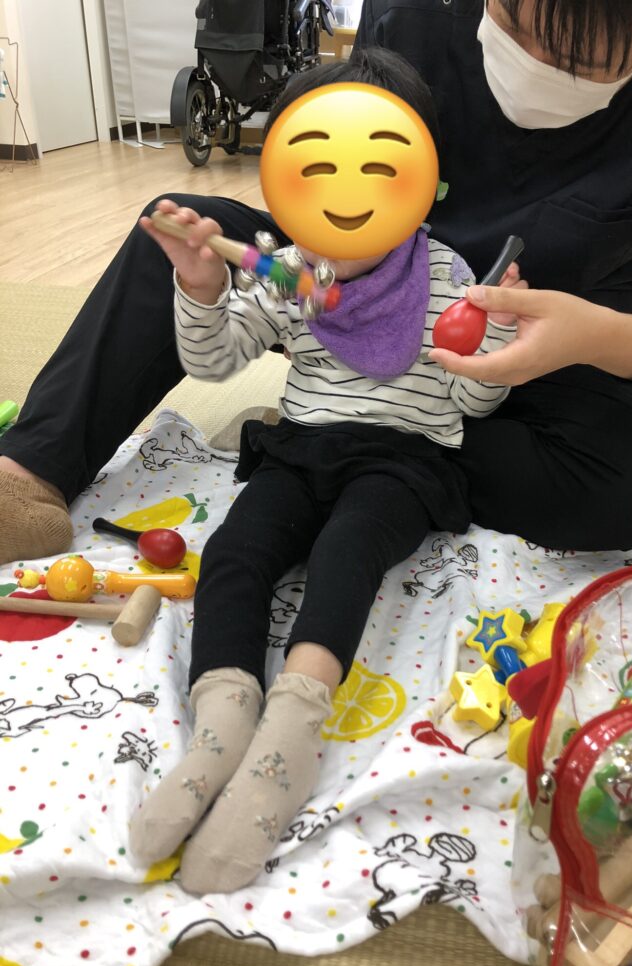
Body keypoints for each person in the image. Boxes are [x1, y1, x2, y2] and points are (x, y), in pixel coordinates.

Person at [1, 0, 632, 563]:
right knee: (177, 235)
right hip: (348, 295)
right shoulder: (420, 10)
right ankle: (27, 471)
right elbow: (341, 162)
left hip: (532, 355)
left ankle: (332, 433)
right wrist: (273, 264)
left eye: (576, 55)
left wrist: (607, 337)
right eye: (512, 17)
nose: (531, 55)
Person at [128, 49, 520, 894]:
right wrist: (200, 287)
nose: (345, 197)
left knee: (347, 553)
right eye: (315, 169)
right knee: (235, 552)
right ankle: (223, 722)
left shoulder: (448, 275)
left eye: (376, 169)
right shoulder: (291, 274)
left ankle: (289, 737)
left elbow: (473, 404)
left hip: (403, 461)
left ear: (420, 183)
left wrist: (490, 342)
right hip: (303, 446)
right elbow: (214, 364)